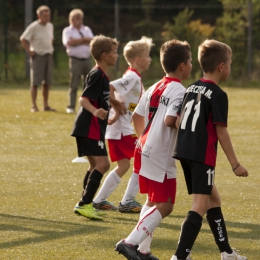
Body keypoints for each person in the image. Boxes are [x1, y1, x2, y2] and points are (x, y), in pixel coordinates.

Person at [170, 39, 248, 260]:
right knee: (199, 205)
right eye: (230, 63)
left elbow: (179, 121)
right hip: (201, 155)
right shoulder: (219, 95)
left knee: (214, 199)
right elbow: (221, 132)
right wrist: (235, 164)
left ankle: (226, 252)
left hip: (184, 151)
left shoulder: (191, 87)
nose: (230, 67)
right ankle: (180, 256)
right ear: (222, 66)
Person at [115, 39, 192, 260]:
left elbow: (137, 115)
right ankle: (130, 242)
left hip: (144, 148)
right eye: (190, 62)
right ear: (182, 66)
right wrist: (189, 131)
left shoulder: (155, 85)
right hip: (161, 154)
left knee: (151, 200)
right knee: (166, 205)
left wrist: (143, 139)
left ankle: (143, 250)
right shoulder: (179, 90)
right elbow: (170, 120)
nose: (191, 66)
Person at [92, 36, 153, 213]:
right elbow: (110, 87)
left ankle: (99, 199)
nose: (150, 59)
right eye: (148, 56)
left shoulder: (135, 78)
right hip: (121, 130)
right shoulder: (132, 77)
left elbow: (131, 106)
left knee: (125, 165)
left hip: (120, 129)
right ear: (138, 60)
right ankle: (127, 201)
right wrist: (116, 109)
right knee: (142, 159)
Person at [72, 35, 126, 220]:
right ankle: (84, 204)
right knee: (104, 164)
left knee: (95, 165)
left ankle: (84, 202)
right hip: (89, 127)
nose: (117, 55)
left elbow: (99, 94)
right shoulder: (97, 74)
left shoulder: (102, 75)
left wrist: (113, 101)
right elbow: (84, 99)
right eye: (114, 52)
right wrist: (95, 111)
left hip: (90, 127)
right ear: (105, 55)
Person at [20, 5, 55, 112]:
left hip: (48, 55)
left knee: (47, 82)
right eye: (45, 16)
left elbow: (51, 38)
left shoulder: (50, 26)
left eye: (48, 15)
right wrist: (29, 51)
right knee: (35, 82)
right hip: (38, 56)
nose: (48, 18)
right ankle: (34, 106)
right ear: (39, 16)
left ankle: (45, 105)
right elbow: (23, 39)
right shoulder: (34, 26)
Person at [62, 9, 94, 114]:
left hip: (87, 59)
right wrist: (84, 40)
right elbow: (70, 42)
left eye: (80, 18)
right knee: (74, 84)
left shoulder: (86, 29)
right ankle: (71, 106)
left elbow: (92, 41)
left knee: (89, 83)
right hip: (75, 60)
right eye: (76, 18)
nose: (79, 20)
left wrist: (79, 41)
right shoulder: (67, 31)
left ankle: (88, 106)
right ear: (71, 19)